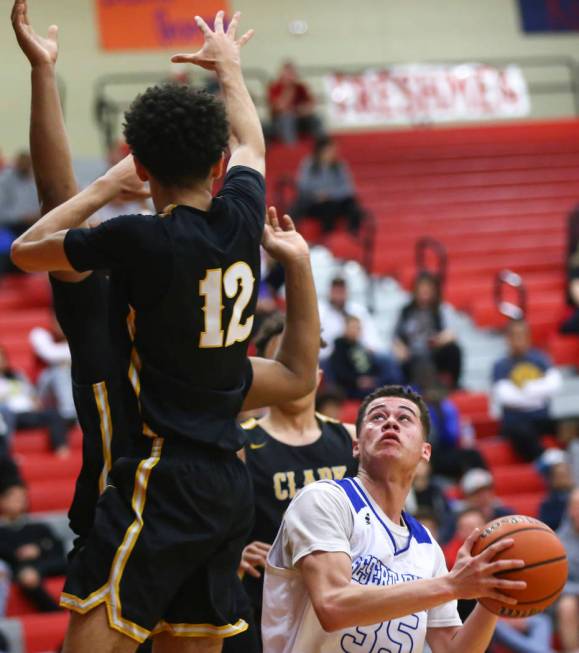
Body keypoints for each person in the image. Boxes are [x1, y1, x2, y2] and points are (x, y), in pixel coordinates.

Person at [11, 6, 321, 652]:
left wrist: (108, 185)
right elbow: (251, 145)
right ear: (215, 166)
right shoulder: (231, 231)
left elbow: (40, 232)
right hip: (211, 492)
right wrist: (230, 67)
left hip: (149, 491)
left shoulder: (135, 254)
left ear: (142, 168)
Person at [262, 385, 527, 653]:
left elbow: (453, 649)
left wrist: (493, 595)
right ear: (356, 446)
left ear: (425, 452)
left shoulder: (427, 547)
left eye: (404, 418)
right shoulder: (325, 500)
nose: (390, 421)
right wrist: (451, 585)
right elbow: (333, 605)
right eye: (377, 417)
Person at [224, 314, 358, 653]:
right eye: (283, 363)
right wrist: (227, 555)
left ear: (319, 373)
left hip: (348, 609)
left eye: (303, 359)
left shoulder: (352, 440)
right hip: (267, 609)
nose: (294, 371)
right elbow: (214, 527)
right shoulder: (238, 444)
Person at [492, 318, 562, 461]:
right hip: (516, 421)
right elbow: (506, 397)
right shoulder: (501, 365)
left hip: (542, 418)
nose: (519, 340)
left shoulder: (540, 359)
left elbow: (555, 384)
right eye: (515, 336)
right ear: (508, 339)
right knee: (520, 432)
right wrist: (539, 394)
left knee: (569, 425)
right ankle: (547, 459)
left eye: (523, 335)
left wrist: (527, 389)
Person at [0, 478, 67, 613]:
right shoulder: (2, 532)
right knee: (25, 576)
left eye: (23, 497)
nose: (20, 501)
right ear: (2, 500)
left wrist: (39, 551)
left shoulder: (39, 528)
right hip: (16, 572)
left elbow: (60, 554)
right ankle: (57, 614)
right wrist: (18, 554)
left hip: (45, 567)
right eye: (14, 497)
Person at [393, 272, 462, 389]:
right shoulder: (406, 311)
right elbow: (396, 337)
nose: (424, 293)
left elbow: (452, 333)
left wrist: (440, 340)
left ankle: (451, 386)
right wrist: (400, 348)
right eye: (421, 289)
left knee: (454, 349)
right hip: (411, 354)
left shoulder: (441, 310)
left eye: (428, 289)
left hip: (434, 350)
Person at [0, 345, 70, 456]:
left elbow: (32, 394)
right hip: (8, 416)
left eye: (2, 356)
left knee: (53, 413)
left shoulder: (17, 375)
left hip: (27, 412)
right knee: (6, 414)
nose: (1, 360)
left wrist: (36, 402)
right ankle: (6, 455)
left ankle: (61, 449)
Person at [292, 136, 365, 234]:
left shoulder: (339, 165)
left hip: (335, 201)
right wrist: (317, 194)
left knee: (352, 205)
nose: (333, 153)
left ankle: (353, 232)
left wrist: (329, 194)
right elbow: (303, 185)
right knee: (302, 205)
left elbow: (348, 188)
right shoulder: (309, 164)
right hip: (314, 202)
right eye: (330, 150)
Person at [328, 315, 401, 399]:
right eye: (353, 327)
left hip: (369, 382)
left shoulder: (360, 346)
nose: (356, 331)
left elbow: (370, 367)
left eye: (358, 328)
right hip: (352, 387)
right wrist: (357, 381)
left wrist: (372, 379)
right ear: (345, 328)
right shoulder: (340, 347)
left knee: (391, 369)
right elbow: (340, 372)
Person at [319, 276, 384, 360]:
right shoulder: (320, 312)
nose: (338, 295)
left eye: (341, 291)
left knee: (383, 359)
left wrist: (369, 350)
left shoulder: (358, 311)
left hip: (356, 355)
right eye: (336, 291)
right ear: (330, 292)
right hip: (330, 357)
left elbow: (372, 339)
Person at [267, 61, 323, 144]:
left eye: (292, 73)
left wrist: (304, 110)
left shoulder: (300, 87)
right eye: (288, 74)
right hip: (280, 120)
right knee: (288, 118)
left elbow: (311, 104)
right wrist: (289, 89)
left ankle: (321, 146)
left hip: (300, 117)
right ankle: (291, 148)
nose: (291, 76)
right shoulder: (275, 87)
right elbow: (279, 108)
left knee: (317, 118)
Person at [557, 487, 579, 653]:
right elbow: (557, 582)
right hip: (569, 598)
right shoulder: (557, 543)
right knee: (567, 605)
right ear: (571, 510)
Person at [0, 151, 39, 238]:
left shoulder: (36, 181)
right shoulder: (5, 181)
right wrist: (22, 217)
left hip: (34, 226)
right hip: (10, 228)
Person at [539, 449, 575, 531]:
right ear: (552, 479)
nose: (564, 479)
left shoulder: (576, 495)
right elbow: (545, 527)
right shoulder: (549, 504)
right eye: (560, 476)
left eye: (566, 474)